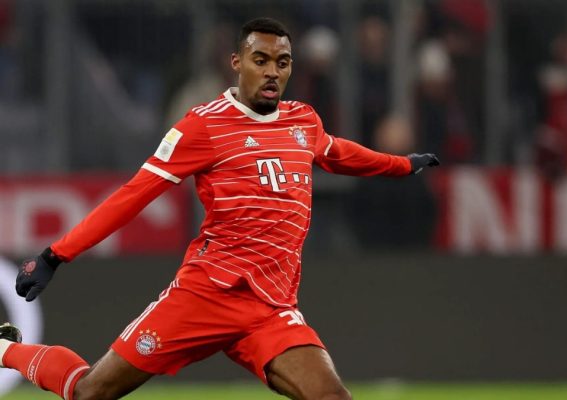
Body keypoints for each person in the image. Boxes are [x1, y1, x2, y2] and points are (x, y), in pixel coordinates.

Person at [0, 17, 439, 400]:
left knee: (331, 396)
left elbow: (338, 152)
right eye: (260, 60)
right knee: (89, 392)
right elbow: (134, 195)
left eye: (282, 62)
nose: (272, 72)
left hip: (271, 306)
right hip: (206, 294)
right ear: (237, 62)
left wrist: (402, 165)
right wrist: (55, 255)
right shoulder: (203, 125)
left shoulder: (303, 121)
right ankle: (6, 350)